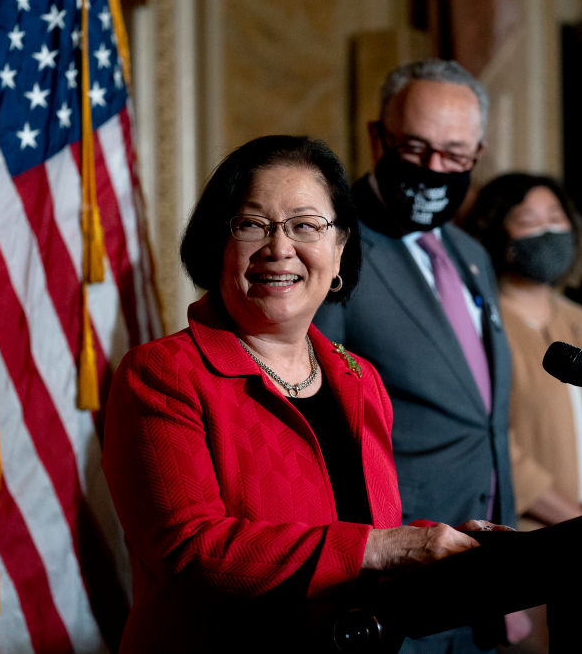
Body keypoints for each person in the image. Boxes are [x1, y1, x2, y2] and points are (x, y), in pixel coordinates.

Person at [101, 135, 505, 653]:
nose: (279, 248)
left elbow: (361, 533)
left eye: (306, 226)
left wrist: (441, 545)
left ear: (339, 252)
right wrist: (386, 547)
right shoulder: (163, 373)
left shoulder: (359, 378)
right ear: (215, 245)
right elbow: (191, 553)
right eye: (252, 224)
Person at [313, 59, 521, 652]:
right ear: (378, 137)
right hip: (395, 576)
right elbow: (321, 414)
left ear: (478, 153)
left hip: (483, 571)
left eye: (455, 156)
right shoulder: (332, 245)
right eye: (416, 147)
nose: (434, 170)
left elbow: (481, 414)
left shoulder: (471, 251)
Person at [462, 172, 582, 651]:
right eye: (528, 221)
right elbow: (495, 444)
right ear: (495, 232)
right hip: (535, 544)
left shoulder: (580, 320)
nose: (547, 232)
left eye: (555, 219)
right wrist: (577, 521)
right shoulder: (481, 324)